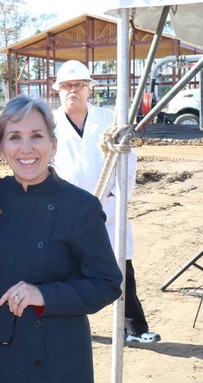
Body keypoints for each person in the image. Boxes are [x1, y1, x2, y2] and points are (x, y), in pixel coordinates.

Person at [0, 95, 122, 382]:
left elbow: (107, 284)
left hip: (60, 351)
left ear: (53, 144)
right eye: (15, 137)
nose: (26, 148)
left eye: (37, 136)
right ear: (1, 148)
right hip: (2, 347)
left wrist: (44, 294)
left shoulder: (80, 206)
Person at [51, 60, 161, 344]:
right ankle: (63, 326)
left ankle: (134, 328)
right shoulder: (48, 122)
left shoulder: (109, 120)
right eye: (66, 86)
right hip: (64, 211)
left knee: (121, 269)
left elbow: (128, 162)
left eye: (78, 85)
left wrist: (120, 199)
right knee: (62, 271)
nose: (72, 90)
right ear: (58, 91)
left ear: (89, 89)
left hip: (107, 210)